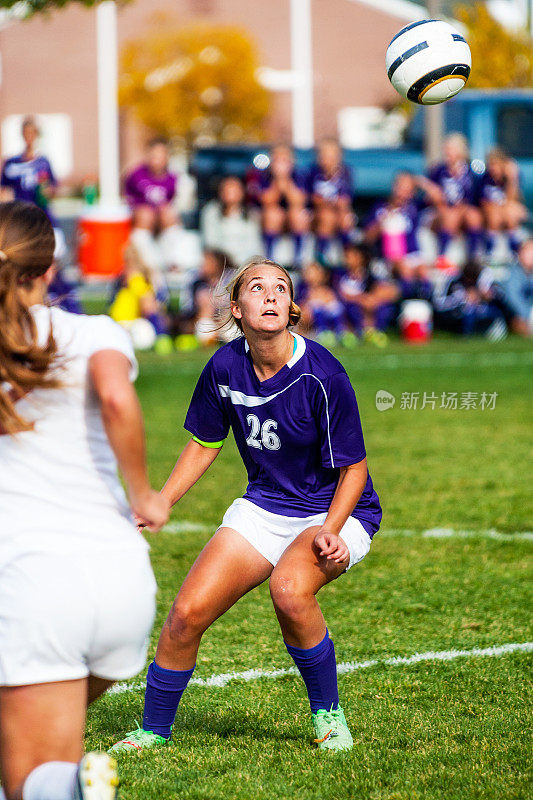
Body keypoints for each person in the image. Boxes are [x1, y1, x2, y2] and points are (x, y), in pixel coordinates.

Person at [110, 255, 382, 757]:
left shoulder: (323, 374)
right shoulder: (225, 366)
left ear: (292, 307)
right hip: (265, 506)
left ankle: (329, 715)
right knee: (186, 613)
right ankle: (152, 731)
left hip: (335, 509)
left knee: (289, 590)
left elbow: (355, 470)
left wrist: (333, 531)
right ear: (237, 309)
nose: (272, 294)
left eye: (281, 287)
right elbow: (203, 444)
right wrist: (160, 502)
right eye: (257, 288)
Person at [0, 201, 169, 800]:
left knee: (32, 782)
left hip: (34, 584)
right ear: (50, 269)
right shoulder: (95, 329)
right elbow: (117, 398)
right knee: (30, 752)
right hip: (121, 582)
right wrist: (145, 494)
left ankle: (70, 789)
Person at [365, 172, 431, 299]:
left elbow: (439, 199)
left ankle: (425, 300)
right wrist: (383, 222)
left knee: (423, 270)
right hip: (390, 257)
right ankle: (407, 299)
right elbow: (368, 238)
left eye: (407, 189)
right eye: (400, 187)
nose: (402, 192)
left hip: (413, 254)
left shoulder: (414, 207)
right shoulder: (380, 207)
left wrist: (421, 183)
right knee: (404, 267)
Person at [124, 138, 182, 271]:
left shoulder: (172, 178)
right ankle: (146, 262)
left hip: (161, 220)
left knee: (168, 213)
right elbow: (128, 200)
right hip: (142, 219)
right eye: (154, 155)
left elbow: (173, 202)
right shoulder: (136, 175)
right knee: (146, 214)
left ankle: (172, 261)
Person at [423, 133, 483, 261]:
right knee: (451, 216)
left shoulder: (471, 171)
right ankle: (442, 256)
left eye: (450, 150)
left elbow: (476, 197)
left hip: (464, 210)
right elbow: (430, 198)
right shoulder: (439, 171)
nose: (447, 153)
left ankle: (473, 257)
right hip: (442, 211)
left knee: (474, 216)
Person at [248, 144, 310, 266]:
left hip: (292, 219)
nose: (281, 164)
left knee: (298, 214)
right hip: (269, 219)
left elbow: (298, 201)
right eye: (277, 159)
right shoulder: (263, 176)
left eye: (284, 160)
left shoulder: (299, 175)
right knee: (273, 214)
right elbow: (267, 201)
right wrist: (277, 182)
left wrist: (286, 181)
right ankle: (269, 256)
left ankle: (298, 258)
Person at [336, 243, 399, 346]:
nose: (346, 259)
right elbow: (342, 294)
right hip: (352, 306)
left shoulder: (370, 275)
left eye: (350, 256)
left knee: (384, 307)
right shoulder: (341, 275)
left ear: (361, 258)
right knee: (352, 309)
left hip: (368, 305)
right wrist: (361, 299)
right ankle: (355, 332)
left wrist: (373, 299)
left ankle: (374, 332)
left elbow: (387, 289)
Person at [307, 138, 355, 260]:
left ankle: (349, 256)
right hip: (316, 214)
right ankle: (320, 257)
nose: (327, 160)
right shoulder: (314, 172)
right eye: (324, 155)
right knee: (327, 216)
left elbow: (344, 201)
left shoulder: (344, 173)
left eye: (331, 156)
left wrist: (329, 202)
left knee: (345, 218)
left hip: (337, 213)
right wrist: (331, 202)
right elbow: (314, 199)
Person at [200, 175, 263, 266]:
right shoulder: (211, 211)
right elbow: (211, 243)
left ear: (242, 192)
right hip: (220, 264)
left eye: (234, 189)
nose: (230, 192)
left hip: (244, 264)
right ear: (220, 192)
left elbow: (254, 244)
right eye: (227, 189)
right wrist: (227, 261)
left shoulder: (251, 214)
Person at [477, 148, 527, 257]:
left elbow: (512, 200)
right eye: (491, 164)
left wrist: (512, 178)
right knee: (494, 214)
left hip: (506, 214)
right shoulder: (485, 179)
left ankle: (514, 250)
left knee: (510, 212)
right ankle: (490, 250)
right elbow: (483, 202)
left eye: (496, 164)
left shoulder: (509, 179)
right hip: (491, 216)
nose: (493, 168)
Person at [296, 260, 354, 348]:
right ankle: (323, 333)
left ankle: (341, 332)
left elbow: (336, 306)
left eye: (314, 273)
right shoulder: (303, 291)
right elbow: (301, 307)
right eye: (309, 273)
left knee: (335, 308)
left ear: (322, 275)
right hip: (314, 322)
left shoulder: (329, 290)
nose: (311, 276)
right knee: (317, 309)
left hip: (331, 319)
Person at [500, 238, 533, 336]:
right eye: (529, 251)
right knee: (518, 323)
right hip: (520, 317)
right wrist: (527, 316)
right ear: (520, 253)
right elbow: (513, 300)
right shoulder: (513, 273)